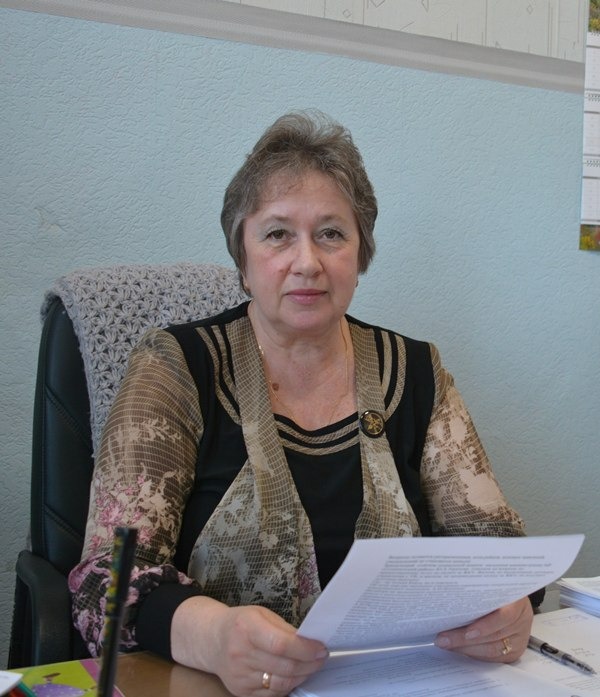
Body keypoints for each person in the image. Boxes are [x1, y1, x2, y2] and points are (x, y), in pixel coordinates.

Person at [69, 111, 539, 697]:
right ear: (242, 259)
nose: (308, 261)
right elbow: (104, 584)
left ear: (360, 256)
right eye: (277, 234)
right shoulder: (175, 367)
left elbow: (497, 550)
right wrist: (214, 636)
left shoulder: (417, 371)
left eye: (331, 234)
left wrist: (512, 607)